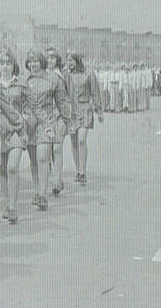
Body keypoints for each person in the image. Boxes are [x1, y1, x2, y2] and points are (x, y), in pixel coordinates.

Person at [24, 50, 72, 211]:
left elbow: (62, 101)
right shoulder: (24, 81)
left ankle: (43, 194)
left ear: (42, 62)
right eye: (30, 62)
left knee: (42, 157)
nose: (33, 65)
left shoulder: (53, 79)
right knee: (33, 161)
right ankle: (37, 190)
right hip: (29, 123)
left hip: (47, 122)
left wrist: (66, 120)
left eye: (36, 61)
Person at [0, 50, 28, 224]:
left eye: (8, 63)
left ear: (14, 65)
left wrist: (26, 120)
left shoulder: (21, 85)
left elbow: (29, 105)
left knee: (12, 167)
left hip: (16, 129)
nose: (5, 67)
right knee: (3, 170)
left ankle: (13, 207)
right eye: (2, 63)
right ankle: (7, 204)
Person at [66, 53, 103, 185]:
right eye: (67, 61)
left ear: (77, 60)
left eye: (71, 60)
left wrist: (99, 111)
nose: (69, 63)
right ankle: (77, 170)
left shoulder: (89, 73)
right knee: (74, 141)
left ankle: (83, 171)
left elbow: (95, 92)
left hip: (85, 109)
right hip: (71, 111)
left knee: (81, 139)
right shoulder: (67, 75)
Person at [45, 47, 72, 196]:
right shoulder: (41, 76)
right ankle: (57, 177)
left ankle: (56, 181)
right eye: (47, 57)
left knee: (57, 148)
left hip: (59, 115)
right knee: (48, 150)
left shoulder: (62, 76)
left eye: (53, 58)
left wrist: (67, 116)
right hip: (45, 116)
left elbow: (66, 96)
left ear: (57, 60)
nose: (50, 60)